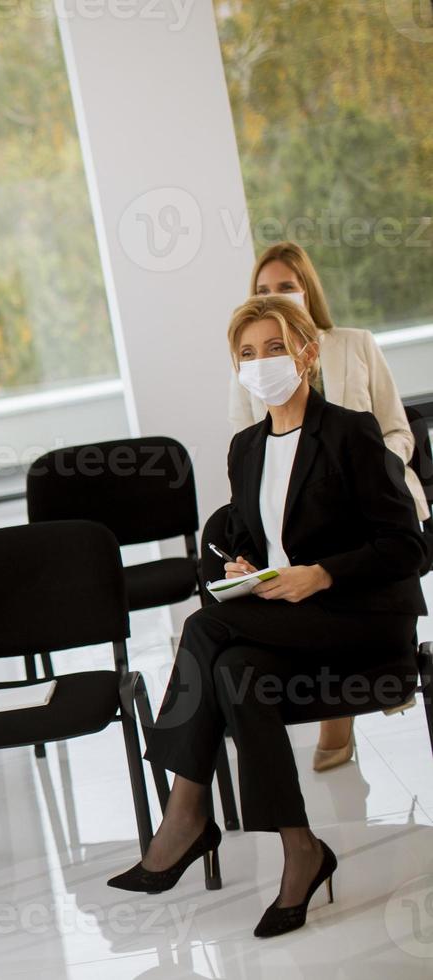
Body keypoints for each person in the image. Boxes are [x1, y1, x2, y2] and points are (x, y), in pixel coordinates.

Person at [110, 295, 426, 938]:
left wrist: (324, 572)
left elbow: (410, 546)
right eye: (247, 354)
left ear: (307, 354)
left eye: (274, 348)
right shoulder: (245, 448)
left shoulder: (351, 432)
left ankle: (184, 813)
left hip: (361, 617)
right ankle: (299, 848)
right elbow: (255, 539)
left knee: (202, 628)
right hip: (284, 621)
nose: (260, 364)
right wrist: (244, 567)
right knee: (236, 673)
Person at [229, 241, 427, 771]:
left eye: (285, 287)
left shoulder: (354, 346)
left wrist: (366, 473)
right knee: (229, 658)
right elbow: (252, 458)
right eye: (263, 291)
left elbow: (393, 429)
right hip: (295, 515)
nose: (275, 297)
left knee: (210, 632)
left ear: (307, 288)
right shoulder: (250, 420)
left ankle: (188, 811)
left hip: (367, 505)